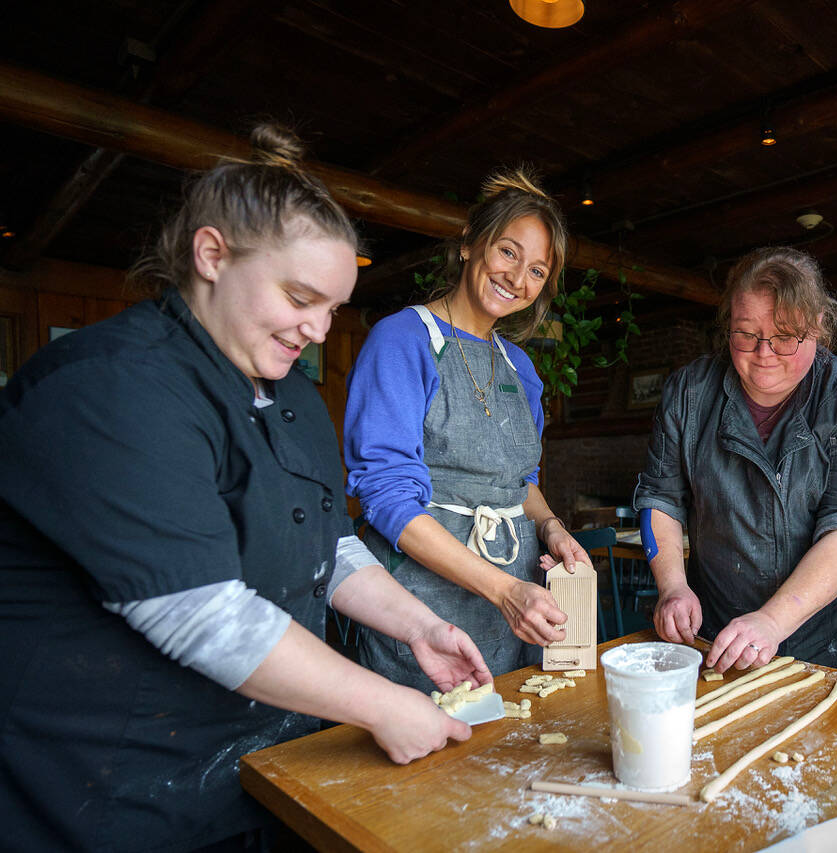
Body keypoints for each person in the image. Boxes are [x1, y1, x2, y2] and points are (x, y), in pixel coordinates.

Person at [0, 125, 492, 851]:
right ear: (211, 254)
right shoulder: (111, 386)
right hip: (111, 787)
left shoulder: (288, 397)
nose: (320, 329)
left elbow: (329, 543)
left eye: (332, 307)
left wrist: (419, 626)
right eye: (301, 297)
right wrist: (382, 702)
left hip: (261, 769)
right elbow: (200, 613)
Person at [344, 168, 588, 691]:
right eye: (508, 252)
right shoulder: (403, 340)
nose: (518, 278)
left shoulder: (519, 367)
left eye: (538, 271)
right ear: (469, 245)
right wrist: (502, 590)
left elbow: (521, 482)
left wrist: (551, 528)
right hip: (421, 612)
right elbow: (385, 497)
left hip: (514, 609)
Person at [633, 247, 837, 674]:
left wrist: (773, 620)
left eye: (786, 337)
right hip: (720, 636)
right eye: (746, 334)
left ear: (819, 327)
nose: (764, 352)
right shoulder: (689, 393)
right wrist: (673, 587)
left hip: (833, 646)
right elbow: (660, 499)